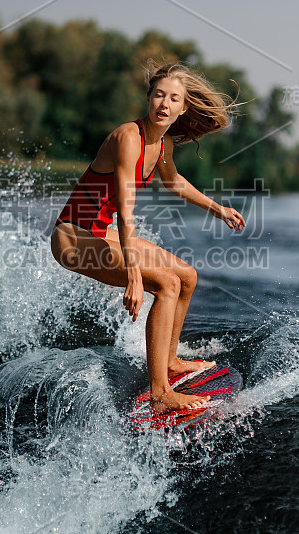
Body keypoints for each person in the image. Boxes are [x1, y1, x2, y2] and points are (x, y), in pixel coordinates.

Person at [50, 59, 246, 414]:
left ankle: (169, 361)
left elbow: (174, 182)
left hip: (97, 233)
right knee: (166, 284)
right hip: (71, 239)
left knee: (187, 276)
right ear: (148, 98)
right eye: (158, 95)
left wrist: (219, 209)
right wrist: (134, 276)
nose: (164, 104)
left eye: (173, 98)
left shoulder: (163, 144)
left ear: (183, 107)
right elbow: (126, 212)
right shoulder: (128, 138)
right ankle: (160, 394)